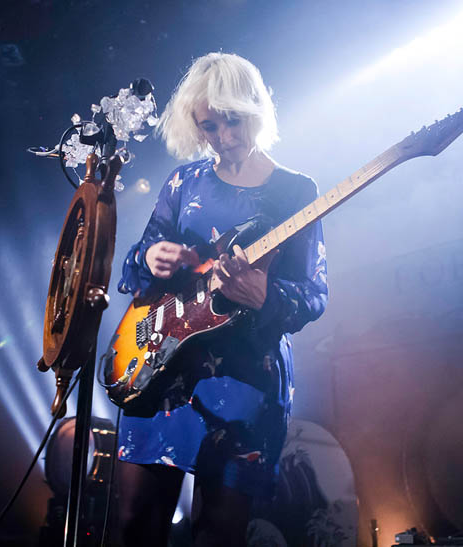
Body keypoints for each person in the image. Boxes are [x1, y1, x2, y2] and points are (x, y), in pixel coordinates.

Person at [111, 52, 328, 546]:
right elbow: (138, 260)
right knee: (133, 525)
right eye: (209, 126)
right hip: (161, 367)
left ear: (255, 109)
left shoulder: (296, 191)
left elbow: (314, 293)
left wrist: (264, 294)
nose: (224, 136)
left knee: (218, 534)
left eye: (232, 121)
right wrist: (151, 259)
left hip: (244, 379)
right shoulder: (183, 182)